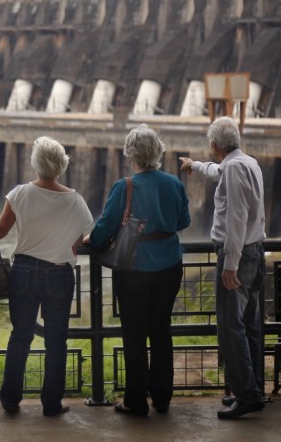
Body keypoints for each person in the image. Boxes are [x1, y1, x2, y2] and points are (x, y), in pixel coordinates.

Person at [0, 136, 93, 417]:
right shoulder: (76, 201)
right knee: (56, 340)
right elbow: (82, 237)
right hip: (59, 274)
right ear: (61, 164)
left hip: (24, 271)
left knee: (20, 336)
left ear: (36, 163)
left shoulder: (20, 193)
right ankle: (51, 404)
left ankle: (10, 401)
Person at [85, 124, 190, 416]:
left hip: (133, 268)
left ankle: (135, 400)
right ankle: (162, 397)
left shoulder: (125, 186)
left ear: (130, 154)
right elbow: (184, 221)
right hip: (170, 265)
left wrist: (90, 241)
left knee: (133, 333)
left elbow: (105, 227)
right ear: (158, 151)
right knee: (160, 330)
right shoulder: (174, 184)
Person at [180, 116, 267, 419]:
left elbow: (237, 219)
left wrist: (230, 264)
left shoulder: (233, 168)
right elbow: (217, 171)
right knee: (251, 327)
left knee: (232, 328)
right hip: (255, 254)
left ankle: (246, 396)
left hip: (239, 257)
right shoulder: (247, 163)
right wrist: (196, 165)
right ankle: (255, 388)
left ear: (215, 144)